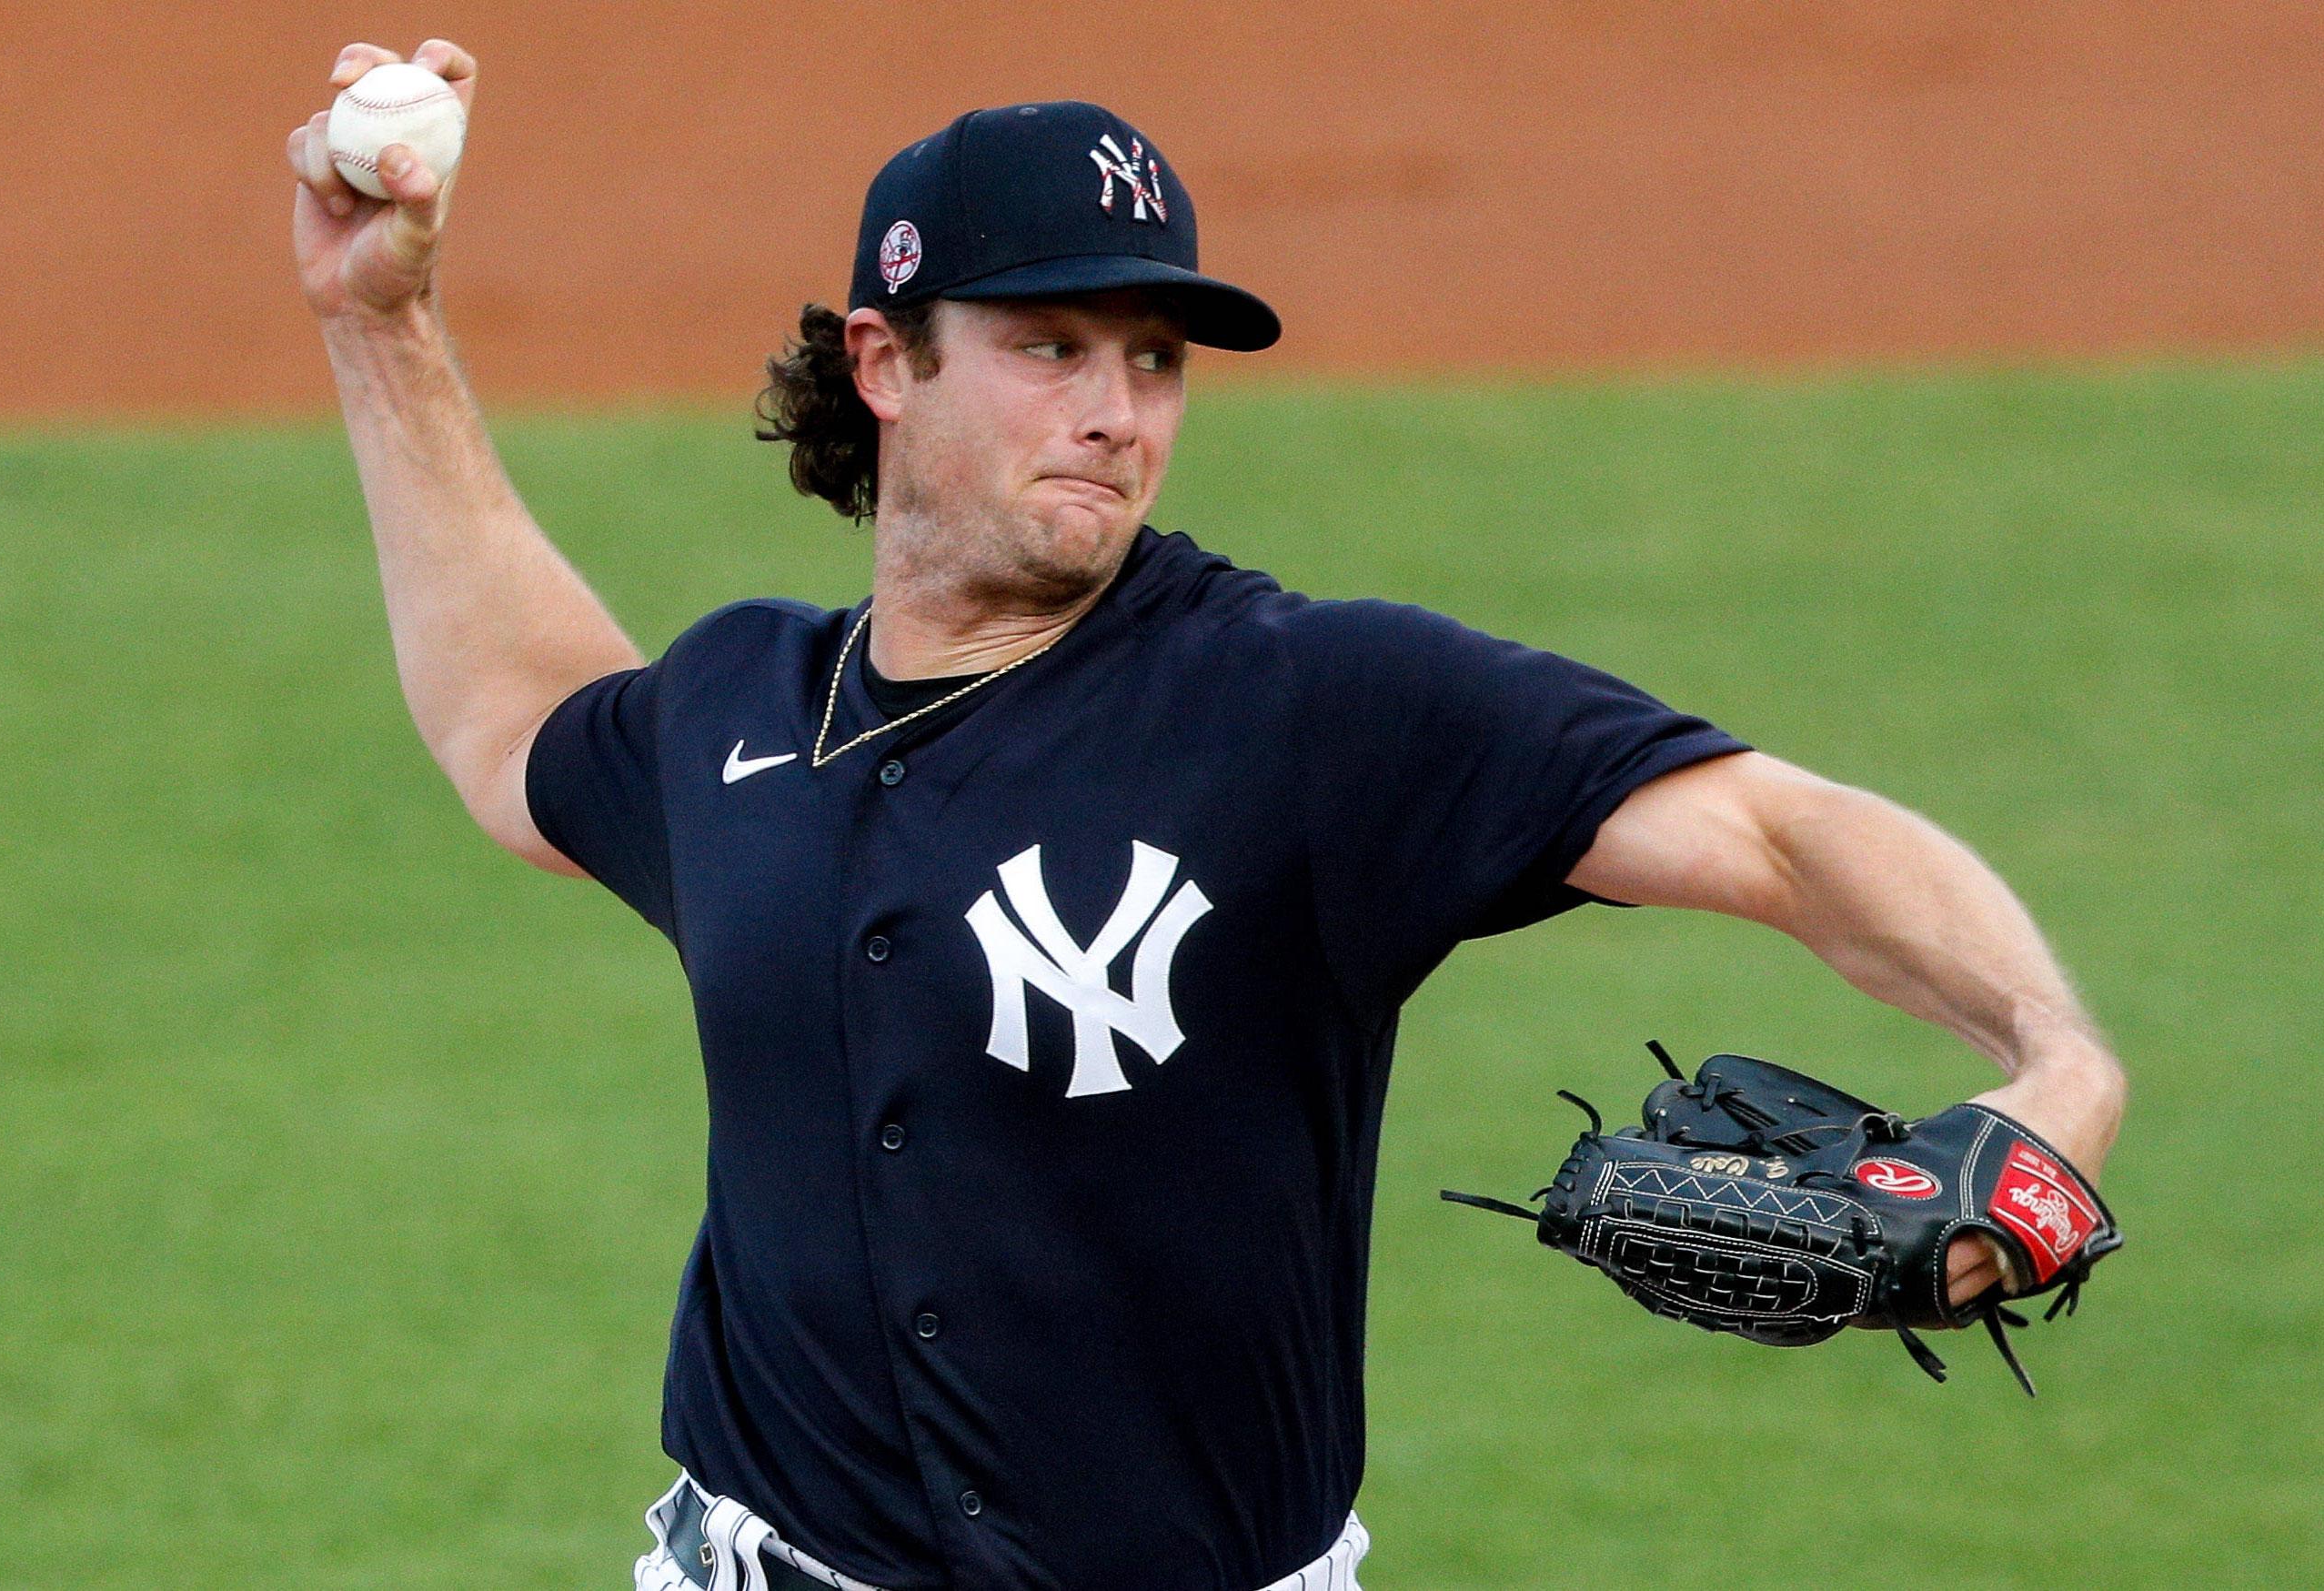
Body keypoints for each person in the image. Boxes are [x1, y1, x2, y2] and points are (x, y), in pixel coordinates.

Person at [286, 40, 2128, 1591]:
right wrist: (383, 323)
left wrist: (2050, 1062)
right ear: (883, 360)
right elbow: (516, 717)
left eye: (1153, 358)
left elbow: (1788, 832)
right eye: (1051, 345)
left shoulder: (1310, 707)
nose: (1115, 410)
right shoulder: (742, 712)